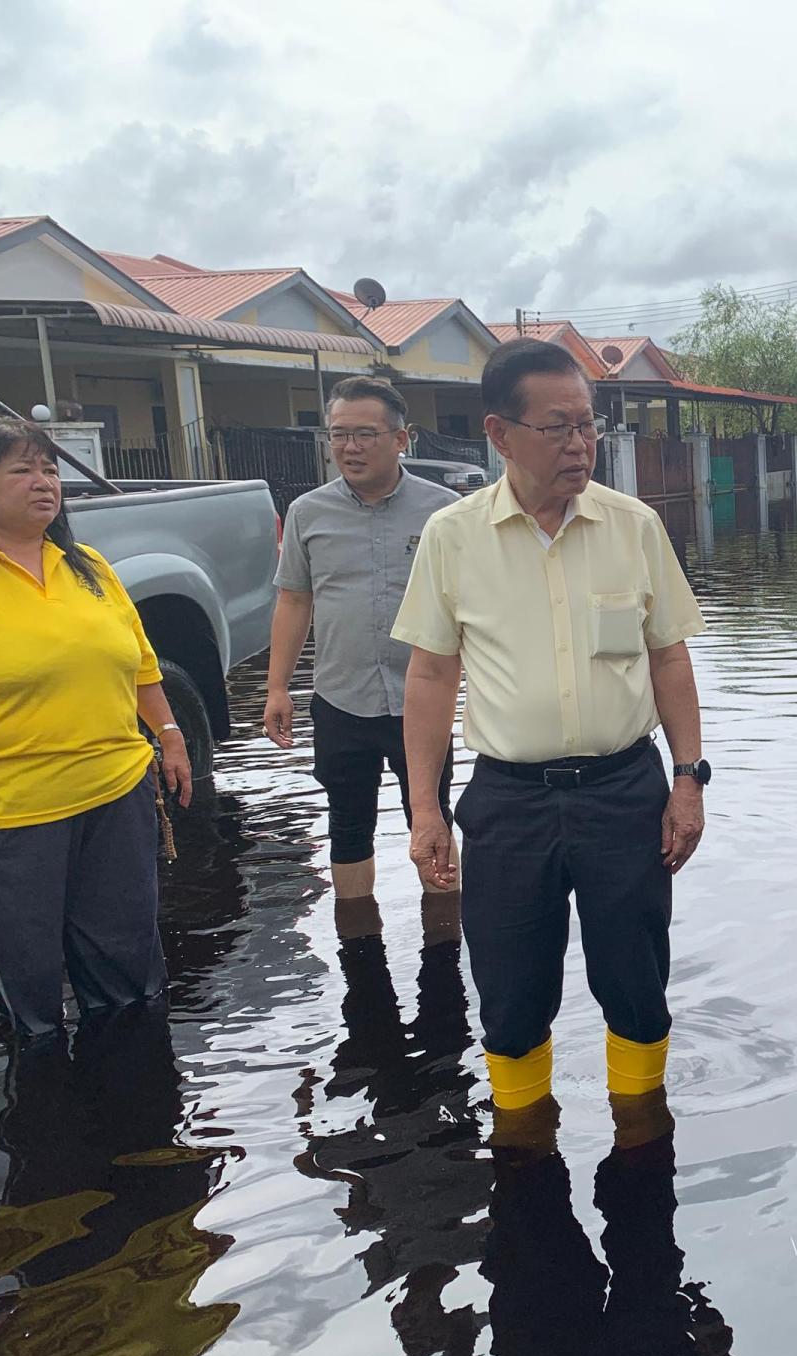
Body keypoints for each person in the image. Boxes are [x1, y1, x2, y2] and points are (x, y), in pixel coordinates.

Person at [393, 338, 709, 1112]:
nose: (580, 445)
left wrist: (688, 779)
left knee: (636, 981)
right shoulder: (453, 536)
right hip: (508, 803)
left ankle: (642, 1135)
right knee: (508, 993)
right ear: (500, 434)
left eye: (588, 426)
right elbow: (432, 675)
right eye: (558, 427)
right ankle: (523, 1147)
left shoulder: (632, 527)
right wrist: (426, 810)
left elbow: (669, 659)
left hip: (623, 793)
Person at [0, 417, 191, 1040]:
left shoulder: (88, 567)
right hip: (8, 808)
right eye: (21, 470)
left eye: (49, 469)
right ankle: (47, 1105)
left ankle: (137, 1108)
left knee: (129, 967)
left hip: (115, 790)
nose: (44, 482)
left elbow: (139, 662)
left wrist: (170, 732)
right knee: (30, 980)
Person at [263, 376, 458, 909]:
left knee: (433, 813)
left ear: (402, 438)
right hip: (340, 696)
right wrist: (278, 687)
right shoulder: (308, 512)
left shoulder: (445, 513)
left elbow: (473, 607)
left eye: (365, 434)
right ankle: (359, 944)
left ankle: (445, 935)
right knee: (347, 822)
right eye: (339, 434)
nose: (350, 447)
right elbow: (294, 601)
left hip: (423, 698)